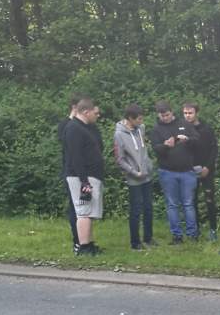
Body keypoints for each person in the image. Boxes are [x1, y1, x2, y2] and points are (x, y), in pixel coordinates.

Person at [150, 101, 200, 243]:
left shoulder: (184, 124)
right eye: (162, 116)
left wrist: (187, 139)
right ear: (158, 115)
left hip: (187, 171)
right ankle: (177, 236)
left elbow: (197, 140)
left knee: (188, 203)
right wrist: (165, 146)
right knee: (172, 204)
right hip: (167, 172)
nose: (165, 118)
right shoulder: (156, 129)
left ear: (172, 112)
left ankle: (192, 234)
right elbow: (155, 149)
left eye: (167, 115)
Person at [63, 98, 105, 256]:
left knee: (89, 212)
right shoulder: (73, 128)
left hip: (91, 175)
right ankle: (84, 247)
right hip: (79, 176)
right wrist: (84, 181)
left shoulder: (87, 128)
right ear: (86, 112)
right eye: (95, 112)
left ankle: (90, 243)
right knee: (83, 211)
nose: (97, 115)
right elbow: (76, 157)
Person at [114, 104, 155, 250]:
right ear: (130, 118)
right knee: (136, 210)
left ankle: (148, 238)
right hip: (134, 178)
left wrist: (148, 165)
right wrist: (133, 172)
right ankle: (135, 242)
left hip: (147, 175)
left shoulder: (141, 128)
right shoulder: (119, 134)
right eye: (139, 119)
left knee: (148, 208)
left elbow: (143, 150)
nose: (141, 121)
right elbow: (120, 159)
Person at [182, 101, 218, 241]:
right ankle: (194, 231)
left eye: (190, 113)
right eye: (185, 113)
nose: (187, 116)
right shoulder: (182, 129)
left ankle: (213, 230)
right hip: (189, 170)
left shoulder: (206, 129)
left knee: (209, 200)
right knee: (191, 201)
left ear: (196, 113)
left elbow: (214, 149)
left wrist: (208, 167)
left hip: (206, 169)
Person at [57, 94, 82, 253]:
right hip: (71, 172)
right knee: (75, 207)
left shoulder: (83, 125)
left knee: (83, 209)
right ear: (74, 107)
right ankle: (77, 241)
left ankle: (85, 240)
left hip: (83, 172)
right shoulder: (66, 124)